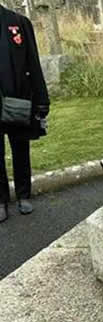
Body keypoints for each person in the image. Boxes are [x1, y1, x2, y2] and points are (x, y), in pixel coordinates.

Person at [0, 3, 50, 223]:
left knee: (20, 147)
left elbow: (33, 61)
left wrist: (41, 99)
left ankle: (23, 195)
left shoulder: (18, 23)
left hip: (18, 99)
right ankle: (1, 200)